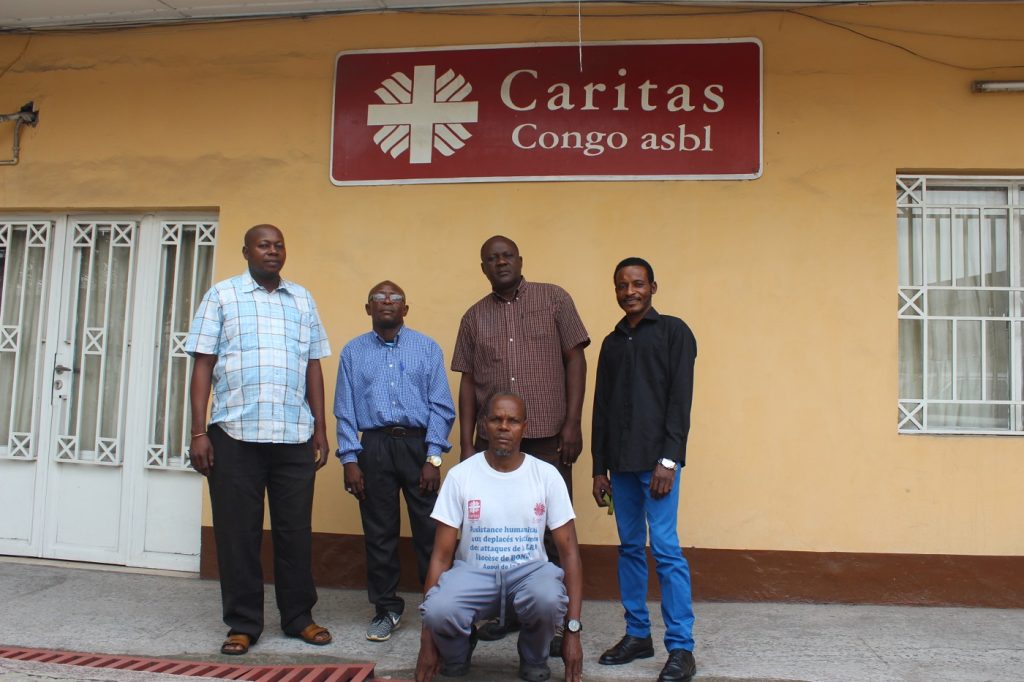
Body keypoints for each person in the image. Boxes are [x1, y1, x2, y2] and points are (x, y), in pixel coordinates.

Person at [186, 224, 333, 656]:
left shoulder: (302, 299)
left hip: (292, 436)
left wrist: (320, 428)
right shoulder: (222, 295)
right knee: (237, 534)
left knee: (294, 532)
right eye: (264, 245)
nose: (273, 251)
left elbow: (312, 366)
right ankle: (243, 624)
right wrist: (198, 431)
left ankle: (299, 618)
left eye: (279, 245)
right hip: (234, 435)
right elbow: (202, 364)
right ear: (246, 251)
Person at [451, 235, 589, 647]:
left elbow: (575, 358)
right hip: (493, 444)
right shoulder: (474, 317)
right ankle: (506, 613)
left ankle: (555, 622)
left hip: (549, 435)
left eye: (506, 255)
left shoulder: (554, 300)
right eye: (491, 259)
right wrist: (465, 443)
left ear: (520, 259)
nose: (500, 263)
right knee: (496, 528)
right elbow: (468, 380)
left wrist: (573, 423)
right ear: (483, 268)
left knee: (551, 531)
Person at [415, 393, 583, 682]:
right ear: (484, 426)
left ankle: (533, 655)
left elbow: (569, 554)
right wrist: (426, 645)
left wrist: (573, 632)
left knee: (548, 597)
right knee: (439, 608)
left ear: (524, 428)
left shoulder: (546, 475)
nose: (504, 427)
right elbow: (441, 556)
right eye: (496, 419)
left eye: (513, 421)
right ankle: (457, 650)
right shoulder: (461, 476)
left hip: (528, 575)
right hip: (473, 574)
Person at [591, 257, 698, 682]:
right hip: (620, 466)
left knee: (667, 552)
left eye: (638, 283)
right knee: (630, 549)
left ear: (653, 286)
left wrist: (668, 460)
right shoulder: (611, 343)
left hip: (658, 467)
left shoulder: (674, 332)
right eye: (622, 285)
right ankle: (637, 635)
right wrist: (600, 467)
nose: (629, 291)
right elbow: (600, 408)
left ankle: (682, 647)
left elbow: (680, 400)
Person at [334, 280, 456, 642]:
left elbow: (441, 407)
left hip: (418, 447)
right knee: (379, 533)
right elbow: (344, 411)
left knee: (430, 532)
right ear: (367, 308)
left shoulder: (427, 348)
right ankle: (386, 608)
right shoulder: (353, 353)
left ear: (406, 309)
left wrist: (433, 457)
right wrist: (349, 460)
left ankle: (439, 605)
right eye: (379, 298)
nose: (387, 302)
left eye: (395, 298)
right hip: (373, 447)